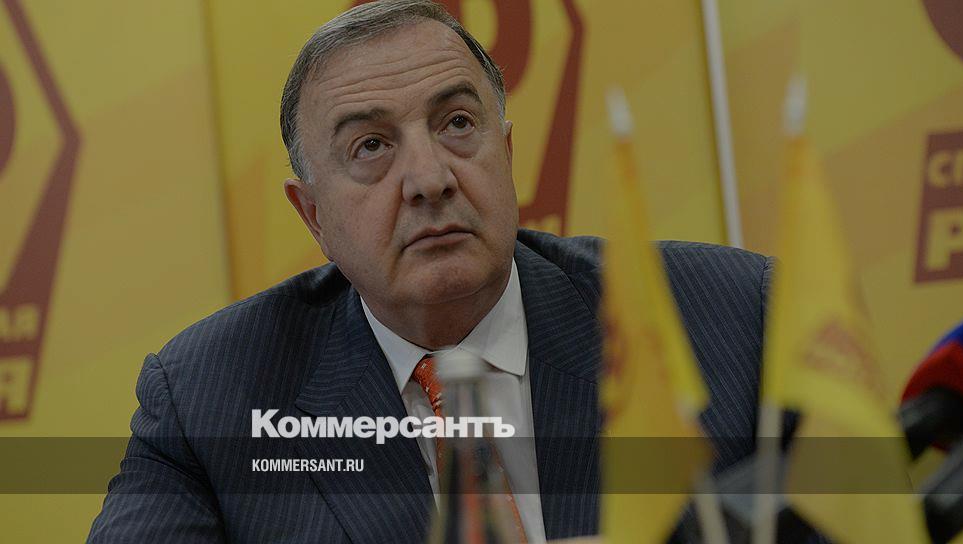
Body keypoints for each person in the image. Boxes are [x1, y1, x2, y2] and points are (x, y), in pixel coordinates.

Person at [89, 1, 779, 542]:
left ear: (506, 154)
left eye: (456, 124)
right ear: (314, 216)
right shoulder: (211, 400)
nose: (429, 179)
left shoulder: (733, 317)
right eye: (370, 146)